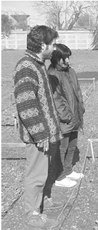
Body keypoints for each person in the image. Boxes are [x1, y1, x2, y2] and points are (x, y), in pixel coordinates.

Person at [13, 25, 62, 229]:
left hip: (46, 133)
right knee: (35, 174)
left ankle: (43, 201)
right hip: (37, 135)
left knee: (45, 171)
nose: (55, 48)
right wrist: (40, 133)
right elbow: (26, 104)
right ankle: (33, 214)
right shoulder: (27, 66)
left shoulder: (38, 63)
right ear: (42, 45)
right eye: (53, 44)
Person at [47, 44, 85, 187]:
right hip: (64, 118)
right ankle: (60, 177)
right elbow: (56, 98)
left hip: (75, 114)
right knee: (61, 148)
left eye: (68, 57)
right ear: (56, 59)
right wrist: (65, 115)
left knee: (72, 146)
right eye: (64, 58)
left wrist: (81, 107)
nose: (67, 61)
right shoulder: (52, 74)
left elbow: (78, 90)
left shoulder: (71, 71)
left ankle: (68, 171)